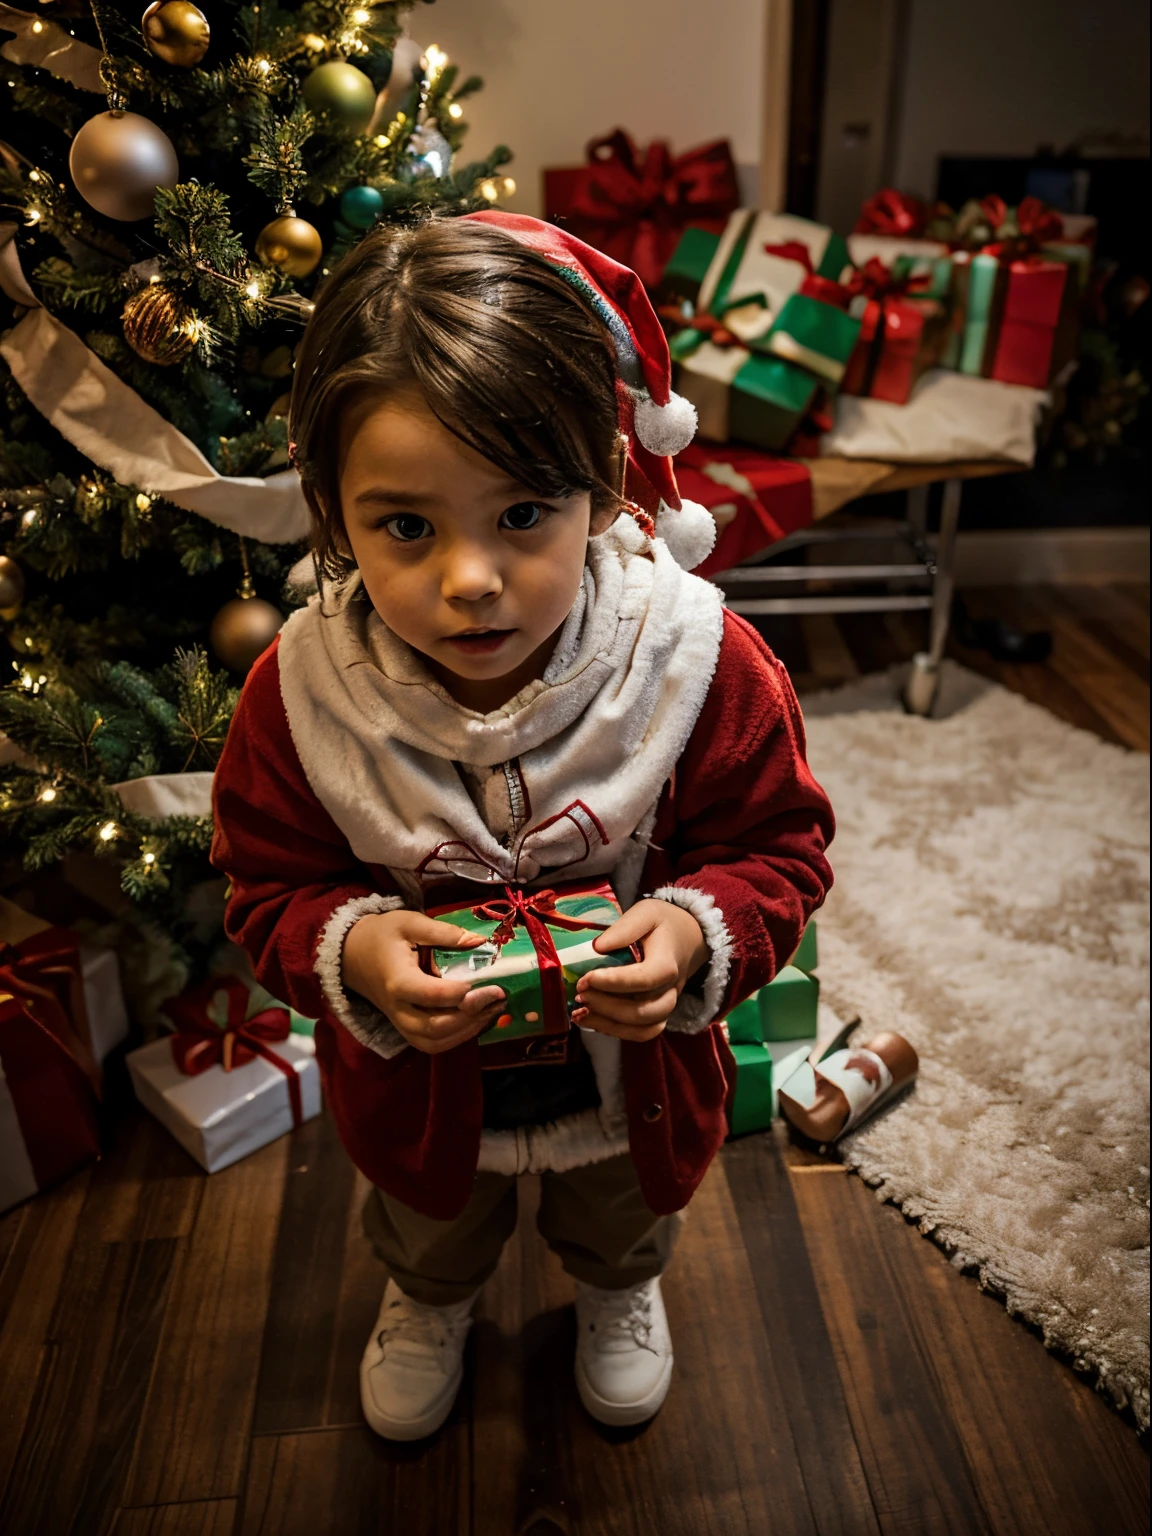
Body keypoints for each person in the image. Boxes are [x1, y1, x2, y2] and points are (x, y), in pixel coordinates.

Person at [211, 212, 834, 1440]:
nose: (470, 580)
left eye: (522, 514)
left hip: (630, 1081)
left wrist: (695, 934)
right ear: (331, 511)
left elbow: (779, 850)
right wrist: (357, 953)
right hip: (425, 1097)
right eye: (406, 526)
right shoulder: (302, 698)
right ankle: (430, 1300)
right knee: (426, 1221)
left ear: (602, 481)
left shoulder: (697, 662)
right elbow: (265, 884)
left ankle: (617, 1295)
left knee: (619, 1215)